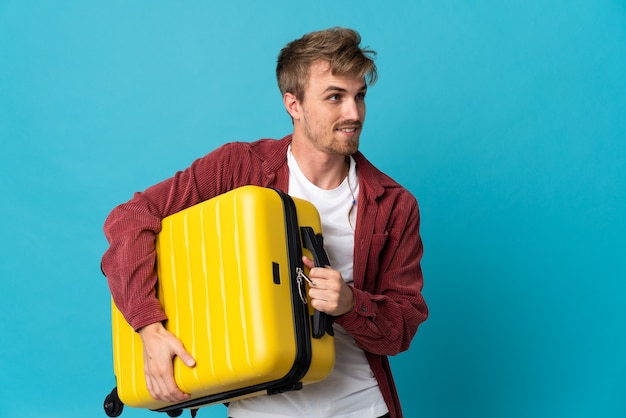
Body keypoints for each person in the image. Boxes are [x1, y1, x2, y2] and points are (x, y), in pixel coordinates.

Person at [102, 27, 428, 418]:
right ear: (293, 103)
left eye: (359, 96)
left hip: (360, 407)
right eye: (335, 97)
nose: (353, 113)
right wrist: (148, 328)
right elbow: (130, 218)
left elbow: (401, 328)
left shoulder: (393, 204)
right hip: (259, 408)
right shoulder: (239, 168)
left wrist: (349, 304)